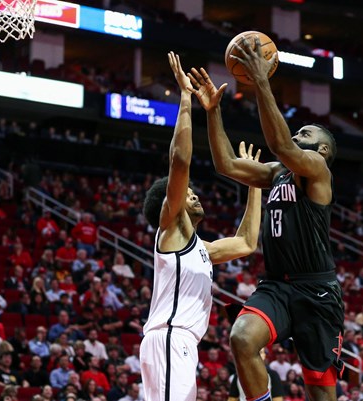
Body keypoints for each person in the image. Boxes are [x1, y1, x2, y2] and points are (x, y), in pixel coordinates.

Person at [189, 37, 343, 401]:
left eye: (305, 133)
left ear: (321, 150)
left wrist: (261, 80)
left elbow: (281, 146)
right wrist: (213, 112)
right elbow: (225, 164)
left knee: (321, 393)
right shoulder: (276, 173)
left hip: (316, 291)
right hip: (276, 284)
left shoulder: (317, 170)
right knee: (242, 337)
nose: (296, 134)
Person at [139, 52, 262, 401]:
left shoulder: (200, 250)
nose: (194, 196)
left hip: (183, 344)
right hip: (169, 337)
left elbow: (246, 242)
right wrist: (185, 97)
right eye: (187, 193)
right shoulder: (170, 232)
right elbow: (179, 161)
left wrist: (254, 183)